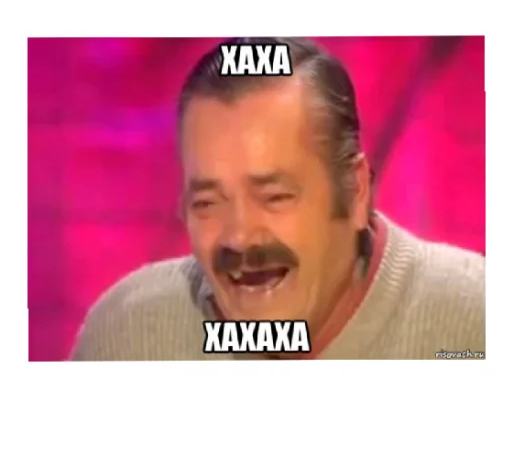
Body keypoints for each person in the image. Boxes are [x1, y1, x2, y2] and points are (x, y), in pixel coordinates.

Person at [71, 37, 485, 361]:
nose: (240, 237)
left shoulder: (480, 324)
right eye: (208, 203)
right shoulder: (126, 335)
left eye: (275, 197)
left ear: (357, 192)